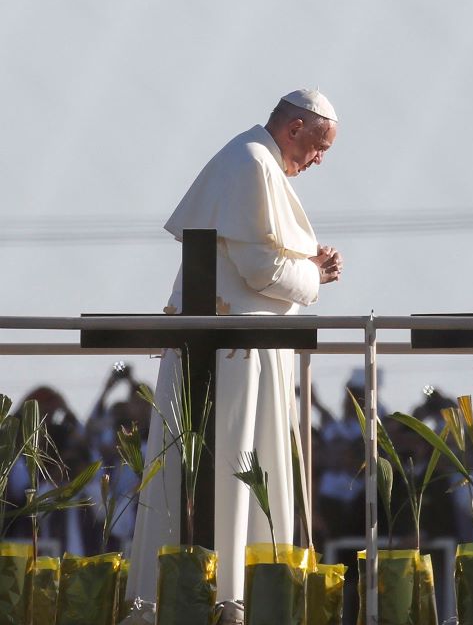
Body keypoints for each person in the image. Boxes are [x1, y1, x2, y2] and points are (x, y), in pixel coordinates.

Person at [126, 89, 344, 610]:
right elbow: (261, 270)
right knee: (232, 468)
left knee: (245, 471)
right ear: (295, 128)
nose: (319, 161)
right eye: (319, 146)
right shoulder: (250, 163)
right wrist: (314, 275)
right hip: (230, 356)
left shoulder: (257, 161)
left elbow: (262, 253)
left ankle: (230, 595)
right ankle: (223, 597)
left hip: (245, 352)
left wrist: (307, 264)